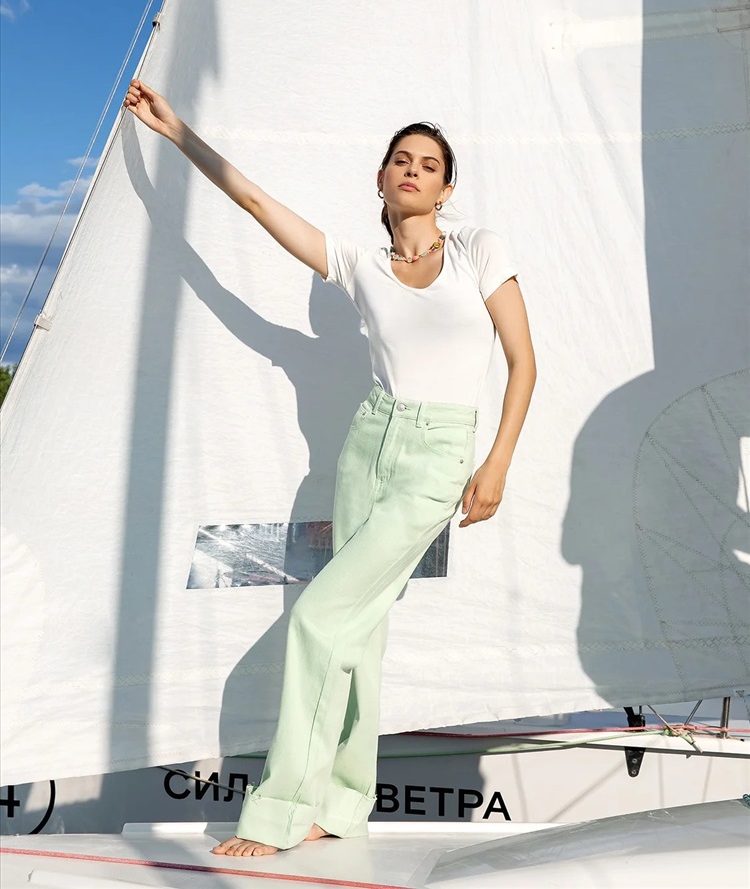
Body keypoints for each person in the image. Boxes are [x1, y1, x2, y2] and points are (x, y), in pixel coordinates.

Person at [123, 79, 537, 858]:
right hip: (367, 445)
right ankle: (343, 806)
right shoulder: (356, 263)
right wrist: (176, 133)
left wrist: (497, 463)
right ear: (381, 178)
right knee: (358, 633)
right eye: (401, 160)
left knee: (317, 620)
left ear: (446, 190)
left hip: (437, 456)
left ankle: (279, 812)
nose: (413, 170)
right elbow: (254, 203)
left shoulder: (479, 250)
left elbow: (523, 362)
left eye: (430, 165)